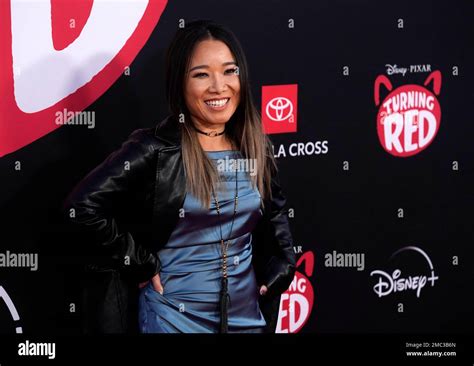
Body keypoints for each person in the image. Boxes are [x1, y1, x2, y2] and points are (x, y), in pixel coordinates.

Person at [63, 19, 295, 334]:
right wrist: (138, 260)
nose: (219, 86)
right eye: (202, 74)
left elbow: (275, 210)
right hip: (174, 318)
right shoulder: (156, 148)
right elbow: (81, 207)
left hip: (245, 316)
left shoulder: (253, 143)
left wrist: (284, 262)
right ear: (179, 84)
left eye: (229, 71)